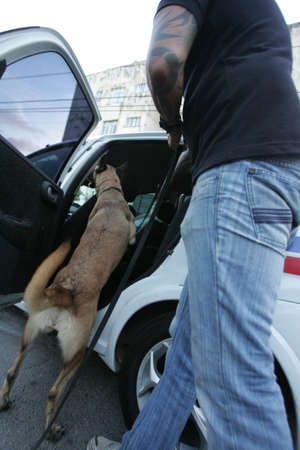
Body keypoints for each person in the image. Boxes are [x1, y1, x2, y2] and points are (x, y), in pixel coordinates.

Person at [87, 0, 300, 448]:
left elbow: (163, 66)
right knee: (186, 358)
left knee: (232, 378)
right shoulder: (261, 19)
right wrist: (198, 149)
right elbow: (237, 90)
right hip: (272, 177)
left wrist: (173, 124)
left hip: (242, 176)